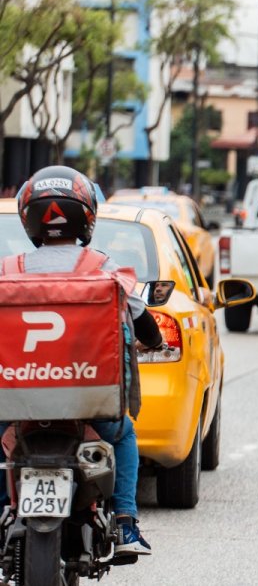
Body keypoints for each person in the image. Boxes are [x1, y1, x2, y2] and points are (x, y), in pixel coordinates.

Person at [0, 166, 165, 560]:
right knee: (123, 434)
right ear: (87, 215)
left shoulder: (7, 271)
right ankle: (125, 521)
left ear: (29, 218)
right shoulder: (104, 269)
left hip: (15, 409)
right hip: (89, 407)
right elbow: (144, 322)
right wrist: (154, 341)